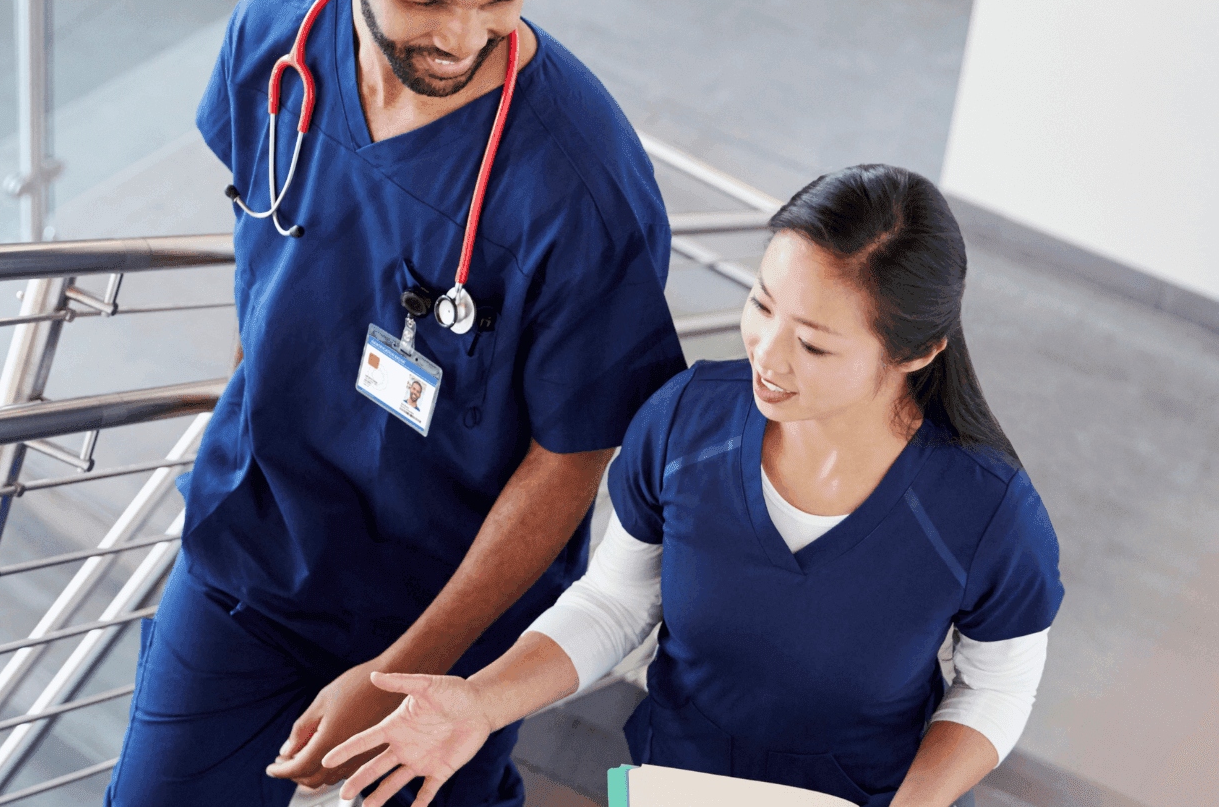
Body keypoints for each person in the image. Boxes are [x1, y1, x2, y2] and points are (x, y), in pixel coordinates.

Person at [104, 0, 686, 804]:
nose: (463, 38)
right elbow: (265, 241)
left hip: (450, 607)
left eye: (502, 2)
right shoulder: (276, 36)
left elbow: (572, 458)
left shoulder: (582, 185)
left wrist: (404, 669)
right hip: (254, 542)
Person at [321, 165, 1063, 807]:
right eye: (762, 304)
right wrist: (482, 703)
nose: (767, 355)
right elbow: (615, 603)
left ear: (918, 352)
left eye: (813, 344)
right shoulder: (685, 421)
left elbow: (995, 688)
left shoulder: (987, 515)